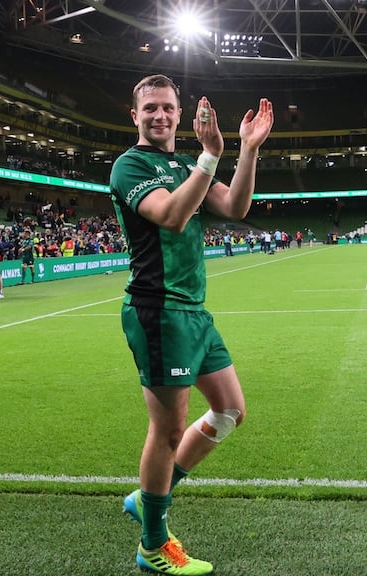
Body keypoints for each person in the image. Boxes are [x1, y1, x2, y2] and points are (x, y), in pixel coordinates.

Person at [109, 74, 273, 575]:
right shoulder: (130, 165)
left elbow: (236, 207)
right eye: (150, 108)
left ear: (180, 115)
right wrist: (209, 157)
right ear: (134, 116)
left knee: (230, 411)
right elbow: (172, 216)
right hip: (158, 311)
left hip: (194, 311)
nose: (159, 115)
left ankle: (149, 496)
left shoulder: (183, 164)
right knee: (169, 429)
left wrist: (246, 150)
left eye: (167, 108)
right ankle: (152, 545)